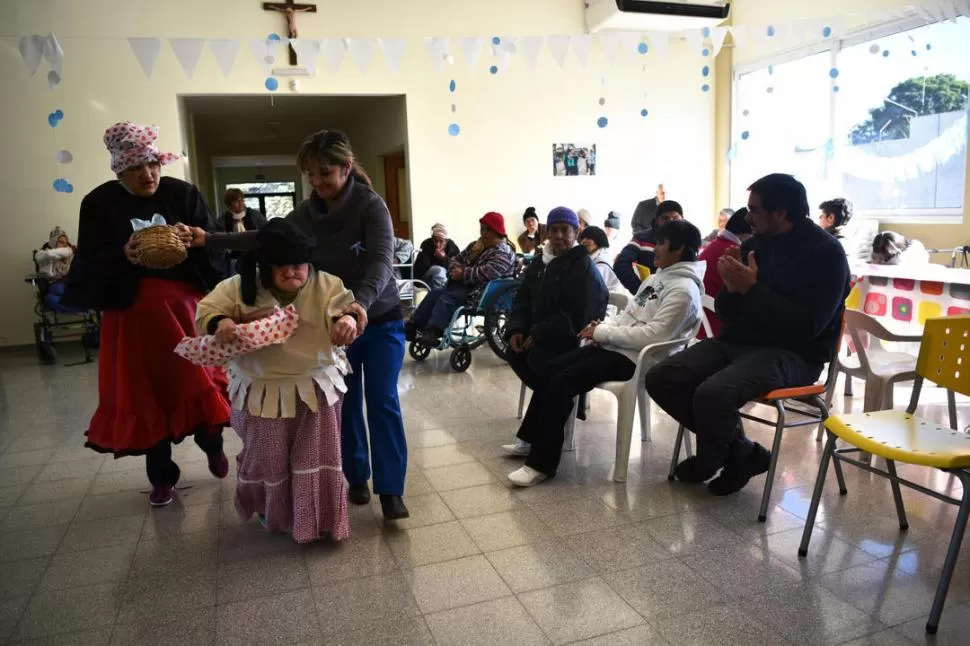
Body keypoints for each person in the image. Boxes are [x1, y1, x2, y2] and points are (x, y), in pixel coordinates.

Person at [189, 129, 410, 519]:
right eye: (310, 174)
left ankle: (391, 490)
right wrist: (209, 239)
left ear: (346, 168)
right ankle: (356, 476)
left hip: (377, 320)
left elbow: (381, 262)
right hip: (333, 324)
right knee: (344, 402)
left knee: (383, 400)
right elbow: (267, 238)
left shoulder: (370, 206)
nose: (317, 182)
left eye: (325, 173)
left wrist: (358, 307)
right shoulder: (306, 213)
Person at [645, 174, 850, 497]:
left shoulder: (826, 253)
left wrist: (751, 290)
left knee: (713, 394)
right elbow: (727, 311)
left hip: (794, 354)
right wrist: (732, 291)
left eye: (754, 210)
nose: (747, 216)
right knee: (661, 377)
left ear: (781, 212)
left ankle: (712, 456)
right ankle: (742, 453)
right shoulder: (754, 245)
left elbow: (808, 326)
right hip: (739, 341)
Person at [62, 121, 231, 507]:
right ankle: (162, 477)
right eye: (137, 168)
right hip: (132, 319)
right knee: (145, 395)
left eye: (153, 164)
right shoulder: (98, 203)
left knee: (200, 384)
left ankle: (213, 444)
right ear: (119, 171)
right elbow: (87, 261)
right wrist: (121, 256)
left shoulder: (183, 193)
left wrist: (197, 240)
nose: (148, 174)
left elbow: (213, 241)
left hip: (184, 311)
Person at [505, 221, 706, 484]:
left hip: (640, 359)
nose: (654, 249)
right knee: (552, 367)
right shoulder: (659, 277)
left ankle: (541, 464)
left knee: (564, 380)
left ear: (679, 250)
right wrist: (602, 328)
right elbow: (630, 316)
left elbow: (654, 335)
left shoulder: (683, 290)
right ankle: (532, 440)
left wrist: (602, 334)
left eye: (661, 244)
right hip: (619, 349)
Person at [196, 219, 358, 542]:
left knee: (316, 453)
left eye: (298, 266)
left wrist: (348, 321)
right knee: (267, 454)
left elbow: (344, 308)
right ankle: (274, 511)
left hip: (315, 384)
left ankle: (317, 519)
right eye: (280, 267)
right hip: (262, 387)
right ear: (264, 266)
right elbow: (206, 310)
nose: (291, 274)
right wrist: (223, 320)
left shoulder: (325, 284)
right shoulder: (240, 287)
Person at [504, 206, 608, 396]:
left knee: (540, 359)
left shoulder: (583, 267)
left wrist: (539, 333)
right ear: (547, 232)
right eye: (554, 230)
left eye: (565, 230)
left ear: (576, 233)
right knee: (513, 352)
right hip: (540, 332)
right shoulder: (539, 263)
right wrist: (517, 329)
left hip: (569, 338)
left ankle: (553, 401)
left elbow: (578, 316)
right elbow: (523, 300)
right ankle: (552, 397)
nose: (559, 235)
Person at [406, 212, 515, 344]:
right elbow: (456, 259)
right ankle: (413, 325)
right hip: (465, 285)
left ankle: (434, 331)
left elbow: (489, 273)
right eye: (482, 229)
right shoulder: (476, 245)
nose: (483, 233)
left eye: (488, 230)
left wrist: (462, 273)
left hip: (482, 291)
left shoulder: (503, 251)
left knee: (447, 299)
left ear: (497, 231)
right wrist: (454, 269)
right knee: (434, 294)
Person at [696, 208, 751, 338]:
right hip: (716, 325)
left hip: (701, 319)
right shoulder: (733, 252)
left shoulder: (715, 245)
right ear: (747, 234)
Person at [614, 200, 684, 294]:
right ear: (657, 220)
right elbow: (621, 264)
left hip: (677, 292)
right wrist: (640, 290)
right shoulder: (642, 238)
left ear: (682, 219)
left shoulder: (687, 241)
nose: (671, 222)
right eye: (665, 218)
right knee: (635, 307)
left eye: (675, 218)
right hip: (649, 292)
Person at [222, 188, 267, 275]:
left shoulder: (255, 215)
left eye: (242, 200)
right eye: (237, 201)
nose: (241, 203)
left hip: (255, 256)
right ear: (229, 204)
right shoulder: (223, 219)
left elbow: (266, 231)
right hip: (234, 258)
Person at [413, 223, 460, 289]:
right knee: (439, 271)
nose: (438, 244)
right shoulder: (426, 244)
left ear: (446, 241)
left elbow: (456, 267)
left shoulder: (452, 247)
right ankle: (442, 294)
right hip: (425, 278)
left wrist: (443, 258)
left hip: (446, 278)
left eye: (441, 241)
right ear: (432, 239)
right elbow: (422, 268)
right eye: (435, 241)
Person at [579, 226, 622, 292]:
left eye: (588, 238)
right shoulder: (590, 257)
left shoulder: (602, 264)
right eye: (583, 238)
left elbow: (591, 288)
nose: (584, 241)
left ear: (598, 240)